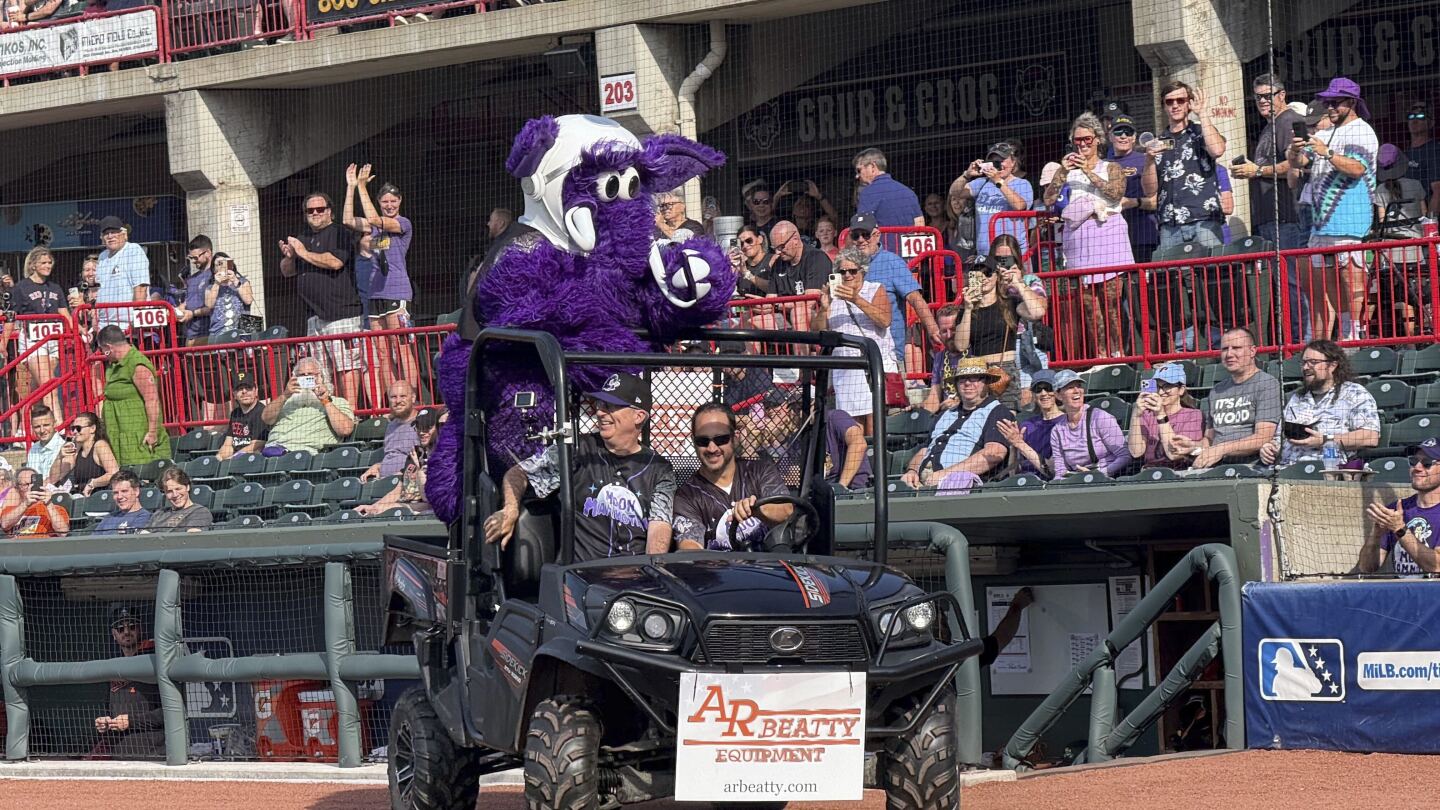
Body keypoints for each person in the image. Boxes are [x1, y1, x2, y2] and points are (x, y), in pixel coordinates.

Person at [484, 372, 676, 560]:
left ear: (639, 416)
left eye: (611, 406)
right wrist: (510, 509)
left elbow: (659, 527)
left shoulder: (659, 469)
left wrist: (652, 571)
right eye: (600, 404)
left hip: (633, 578)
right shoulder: (577, 448)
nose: (600, 412)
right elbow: (518, 473)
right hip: (581, 578)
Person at [1287, 77, 1378, 341]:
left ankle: (1356, 334)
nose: (1330, 107)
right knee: (1329, 283)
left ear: (1351, 102)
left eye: (1335, 102)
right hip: (1320, 223)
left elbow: (1357, 168)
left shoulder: (1362, 131)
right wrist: (1294, 152)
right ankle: (1346, 331)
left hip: (1351, 220)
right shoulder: (1323, 134)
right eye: (1328, 102)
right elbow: (1300, 162)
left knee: (1352, 281)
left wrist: (1326, 153)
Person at [1046, 112, 1132, 358]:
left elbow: (1115, 194)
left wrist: (1088, 172)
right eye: (1077, 140)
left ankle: (1119, 354)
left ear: (1097, 139)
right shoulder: (1067, 172)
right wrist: (1063, 171)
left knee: (1112, 303)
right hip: (1079, 239)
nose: (1082, 145)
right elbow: (1050, 199)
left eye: (1087, 139)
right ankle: (1101, 356)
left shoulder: (1111, 167)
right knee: (1089, 306)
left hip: (1107, 234)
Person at [1231, 75, 1308, 342]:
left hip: (1286, 217)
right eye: (1258, 97)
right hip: (1271, 220)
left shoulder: (1286, 122)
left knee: (1291, 284)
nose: (1263, 101)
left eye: (1268, 95)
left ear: (1282, 94)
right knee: (1283, 285)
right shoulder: (1270, 126)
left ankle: (1299, 343)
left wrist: (1258, 170)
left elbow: (1296, 164)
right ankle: (1291, 340)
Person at [944, 234, 1047, 410]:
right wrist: (968, 308)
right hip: (978, 372)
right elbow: (961, 345)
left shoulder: (1010, 303)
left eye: (988, 272)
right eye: (978, 273)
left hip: (1004, 370)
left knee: (1007, 418)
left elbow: (1038, 312)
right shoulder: (967, 308)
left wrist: (1019, 283)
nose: (983, 277)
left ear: (996, 275)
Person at [279, 192, 363, 406]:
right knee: (320, 373)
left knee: (346, 368)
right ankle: (328, 412)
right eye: (310, 210)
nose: (315, 213)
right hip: (313, 317)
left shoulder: (339, 232)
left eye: (320, 209)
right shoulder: (304, 237)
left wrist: (302, 252)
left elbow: (335, 262)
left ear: (330, 211)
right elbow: (287, 272)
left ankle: (349, 412)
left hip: (341, 314)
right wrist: (290, 256)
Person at [672, 403, 793, 552]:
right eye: (703, 441)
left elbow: (786, 510)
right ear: (694, 442)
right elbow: (689, 546)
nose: (712, 448)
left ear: (735, 438)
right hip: (720, 572)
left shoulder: (760, 471)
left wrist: (757, 509)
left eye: (721, 439)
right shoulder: (687, 495)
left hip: (770, 568)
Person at [343, 164, 417, 395]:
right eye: (385, 201)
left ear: (400, 201)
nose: (389, 205)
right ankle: (393, 400)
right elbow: (347, 220)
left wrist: (363, 188)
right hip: (375, 296)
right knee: (383, 353)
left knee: (401, 348)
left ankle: (411, 396)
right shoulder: (374, 231)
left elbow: (374, 219)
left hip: (397, 292)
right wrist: (352, 187)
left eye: (393, 201)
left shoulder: (402, 224)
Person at [1171, 328, 1281, 468]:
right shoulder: (1217, 390)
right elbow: (1210, 439)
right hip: (1216, 466)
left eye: (1236, 348)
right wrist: (1193, 447)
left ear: (1252, 351)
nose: (1229, 354)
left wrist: (1221, 449)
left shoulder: (1267, 384)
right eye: (1224, 349)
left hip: (1253, 467)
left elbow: (1263, 438)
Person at [1259, 339, 1379, 467]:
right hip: (1285, 469)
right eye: (1304, 362)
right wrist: (1269, 448)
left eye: (1313, 362)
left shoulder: (1354, 393)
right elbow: (1279, 438)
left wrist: (1325, 440)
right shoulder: (1297, 398)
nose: (1306, 367)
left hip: (1326, 470)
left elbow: (1370, 436)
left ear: (1333, 365)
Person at [849, 212, 944, 373]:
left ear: (876, 235)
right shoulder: (847, 266)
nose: (860, 240)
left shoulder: (892, 262)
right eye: (855, 235)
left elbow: (915, 298)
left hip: (888, 356)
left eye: (865, 235)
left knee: (891, 398)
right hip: (855, 355)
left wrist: (933, 329)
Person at [900, 359, 1014, 490]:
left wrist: (947, 474)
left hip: (962, 486)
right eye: (962, 379)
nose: (967, 383)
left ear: (986, 382)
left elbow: (995, 453)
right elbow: (926, 449)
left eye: (974, 378)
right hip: (922, 482)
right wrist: (912, 471)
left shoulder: (998, 412)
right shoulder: (945, 414)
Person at [817, 247, 896, 433]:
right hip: (845, 371)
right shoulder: (833, 298)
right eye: (842, 271)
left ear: (862, 270)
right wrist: (823, 308)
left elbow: (884, 320)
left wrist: (855, 299)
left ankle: (876, 460)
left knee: (873, 426)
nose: (847, 275)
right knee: (852, 431)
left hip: (871, 368)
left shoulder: (875, 289)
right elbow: (819, 331)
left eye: (852, 271)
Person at [1152, 81, 1227, 251]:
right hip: (1170, 223)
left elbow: (1217, 150)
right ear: (1164, 106)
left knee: (1211, 272)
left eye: (1181, 100)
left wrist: (1202, 114)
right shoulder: (1158, 142)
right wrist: (1149, 159)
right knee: (1173, 276)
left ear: (1189, 103)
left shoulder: (1201, 131)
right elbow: (1150, 189)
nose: (1175, 105)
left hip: (1204, 217)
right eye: (1169, 102)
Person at [1359, 438, 1440, 575]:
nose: (1417, 468)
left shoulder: (1397, 520)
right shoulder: (1397, 509)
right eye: (1413, 461)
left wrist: (1400, 529)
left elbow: (1437, 566)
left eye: (1427, 463)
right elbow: (1367, 568)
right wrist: (1376, 535)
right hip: (1402, 594)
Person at [92, 606, 164, 758]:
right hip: (121, 754)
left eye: (131, 626)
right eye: (120, 628)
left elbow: (168, 713)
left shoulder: (155, 663)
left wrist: (131, 721)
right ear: (114, 634)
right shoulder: (112, 668)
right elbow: (109, 712)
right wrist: (105, 723)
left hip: (154, 755)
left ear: (140, 629)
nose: (126, 632)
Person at [1372, 144, 1429, 336]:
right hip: (1414, 248)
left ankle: (1409, 338)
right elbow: (1424, 217)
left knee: (1402, 296)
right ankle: (1429, 332)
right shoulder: (1416, 184)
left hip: (1391, 252)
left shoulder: (1380, 189)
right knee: (1422, 293)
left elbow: (1382, 222)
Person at [96, 325, 170, 468]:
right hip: (120, 431)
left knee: (138, 472)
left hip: (137, 433)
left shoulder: (137, 365)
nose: (102, 353)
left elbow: (152, 400)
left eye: (102, 350)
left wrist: (152, 432)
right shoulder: (115, 364)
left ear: (108, 347)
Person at [355, 408, 442, 517]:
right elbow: (399, 488)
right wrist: (374, 507)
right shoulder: (416, 453)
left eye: (427, 427)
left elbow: (430, 500)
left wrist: (419, 470)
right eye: (419, 427)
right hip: (410, 506)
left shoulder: (442, 455)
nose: (421, 432)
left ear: (437, 428)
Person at [261, 358, 356, 456]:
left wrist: (326, 401)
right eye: (301, 375)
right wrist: (285, 395)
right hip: (271, 451)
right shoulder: (286, 401)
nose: (306, 378)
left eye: (310, 375)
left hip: (306, 455)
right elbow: (266, 419)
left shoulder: (336, 402)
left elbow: (345, 430)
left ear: (321, 377)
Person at [957, 141, 1035, 258]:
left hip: (1011, 255)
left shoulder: (1022, 184)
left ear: (1013, 162)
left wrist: (998, 181)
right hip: (984, 255)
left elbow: (1020, 206)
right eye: (994, 161)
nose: (998, 164)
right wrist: (966, 175)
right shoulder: (982, 183)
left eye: (1002, 160)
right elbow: (956, 192)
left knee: (1008, 276)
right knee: (978, 277)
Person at [1049, 370, 1131, 478]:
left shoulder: (1100, 417)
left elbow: (1125, 456)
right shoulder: (1057, 431)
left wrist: (1097, 475)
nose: (1076, 390)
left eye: (1078, 386)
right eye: (1070, 387)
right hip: (1077, 482)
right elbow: (1060, 471)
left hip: (1107, 479)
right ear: (1058, 395)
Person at [1126, 363, 1205, 470]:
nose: (1161, 391)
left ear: (1181, 390)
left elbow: (1174, 454)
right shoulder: (1147, 415)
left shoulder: (1193, 415)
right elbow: (1136, 452)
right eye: (1157, 386)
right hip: (1148, 472)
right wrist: (1136, 415)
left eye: (1167, 386)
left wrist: (1160, 414)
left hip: (1179, 472)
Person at [1104, 114, 1159, 264]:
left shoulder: (1146, 159)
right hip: (1112, 240)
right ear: (1110, 136)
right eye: (1118, 132)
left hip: (1144, 236)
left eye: (1128, 132)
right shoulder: (1102, 165)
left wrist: (1133, 202)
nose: (1123, 136)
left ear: (1134, 138)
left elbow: (1159, 200)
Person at [997, 370, 1066, 478]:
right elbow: (1013, 473)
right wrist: (1014, 446)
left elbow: (1052, 471)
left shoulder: (1065, 423)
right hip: (1024, 482)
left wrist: (1020, 444)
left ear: (1057, 391)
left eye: (1048, 388)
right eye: (1038, 389)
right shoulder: (1026, 425)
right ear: (1033, 394)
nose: (1043, 393)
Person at [94, 216, 151, 332]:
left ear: (123, 234)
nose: (110, 236)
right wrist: (96, 318)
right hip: (104, 326)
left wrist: (136, 322)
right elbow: (100, 291)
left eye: (114, 232)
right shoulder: (102, 257)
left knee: (131, 351)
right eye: (106, 233)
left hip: (128, 327)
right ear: (102, 237)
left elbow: (141, 288)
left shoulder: (133, 250)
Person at [48, 411, 119, 495]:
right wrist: (59, 457)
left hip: (101, 496)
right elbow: (54, 479)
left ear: (92, 429)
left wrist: (93, 483)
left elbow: (114, 473)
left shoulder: (100, 445)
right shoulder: (76, 450)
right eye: (73, 428)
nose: (74, 432)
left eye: (78, 428)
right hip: (80, 497)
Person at [360, 382, 419, 481]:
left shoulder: (422, 424)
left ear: (413, 398)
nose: (398, 401)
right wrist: (379, 466)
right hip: (384, 481)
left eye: (403, 396)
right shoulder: (391, 426)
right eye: (393, 397)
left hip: (406, 482)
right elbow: (392, 456)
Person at [854, 147, 924, 227]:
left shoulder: (868, 193)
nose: (857, 176)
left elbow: (863, 228)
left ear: (872, 166)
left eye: (859, 170)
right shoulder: (908, 192)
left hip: (882, 239)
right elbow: (920, 225)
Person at [215, 371, 267, 461]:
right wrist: (218, 459)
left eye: (248, 388)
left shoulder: (262, 412)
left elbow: (256, 447)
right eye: (240, 389)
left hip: (252, 460)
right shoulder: (235, 414)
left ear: (256, 390)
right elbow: (228, 444)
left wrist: (233, 458)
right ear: (234, 394)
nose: (244, 391)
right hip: (235, 460)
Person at [3, 467, 69, 538]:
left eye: (33, 484)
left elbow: (63, 533)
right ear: (17, 488)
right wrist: (25, 504)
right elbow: (4, 525)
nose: (30, 488)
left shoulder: (56, 509)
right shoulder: (13, 510)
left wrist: (49, 504)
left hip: (42, 546)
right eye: (25, 485)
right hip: (16, 547)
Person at [144, 467, 212, 532]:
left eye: (178, 489)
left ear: (187, 487)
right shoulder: (159, 514)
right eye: (169, 491)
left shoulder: (200, 512)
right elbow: (143, 536)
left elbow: (191, 539)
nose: (175, 495)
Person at [177, 235, 215, 346]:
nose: (193, 261)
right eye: (190, 258)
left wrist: (192, 313)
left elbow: (214, 306)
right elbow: (189, 301)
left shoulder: (216, 277)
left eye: (195, 257)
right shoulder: (192, 279)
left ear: (207, 253)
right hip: (190, 336)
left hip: (208, 334)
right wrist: (180, 309)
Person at [1404, 101, 1440, 217]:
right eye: (1411, 117)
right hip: (1405, 217)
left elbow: (1437, 190)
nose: (1414, 121)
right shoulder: (1405, 153)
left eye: (1421, 117)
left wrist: (1430, 223)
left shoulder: (1434, 150)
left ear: (1431, 123)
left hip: (1424, 217)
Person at [825, 408, 871, 491]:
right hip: (821, 492)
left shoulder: (835, 417)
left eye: (799, 408)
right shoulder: (799, 434)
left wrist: (841, 487)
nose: (794, 413)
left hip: (853, 490)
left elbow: (858, 444)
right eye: (793, 407)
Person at [731, 225, 772, 298]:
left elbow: (775, 288)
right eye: (741, 243)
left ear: (760, 239)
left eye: (749, 240)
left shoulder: (772, 260)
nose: (745, 246)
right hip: (745, 309)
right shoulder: (740, 266)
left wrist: (746, 273)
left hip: (767, 308)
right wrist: (730, 269)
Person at [25, 405, 64, 479]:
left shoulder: (64, 447)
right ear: (32, 427)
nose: (42, 430)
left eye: (46, 425)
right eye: (37, 427)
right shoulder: (33, 449)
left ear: (54, 423)